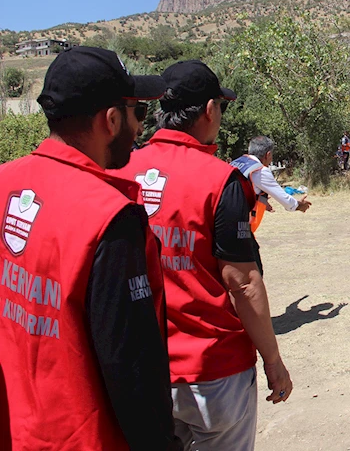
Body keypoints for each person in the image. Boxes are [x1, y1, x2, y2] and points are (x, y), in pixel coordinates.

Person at [0, 47, 176, 449]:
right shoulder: (110, 218)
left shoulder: (5, 182)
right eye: (138, 112)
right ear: (111, 120)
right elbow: (131, 368)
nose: (141, 126)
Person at [113, 60, 292, 449]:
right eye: (221, 107)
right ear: (210, 110)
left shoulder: (121, 170)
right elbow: (242, 284)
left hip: (144, 370)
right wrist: (273, 360)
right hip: (213, 370)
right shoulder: (220, 180)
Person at [230, 135, 312, 236]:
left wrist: (260, 200)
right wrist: (299, 205)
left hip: (221, 221)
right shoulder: (260, 170)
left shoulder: (236, 163)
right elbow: (285, 200)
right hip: (238, 228)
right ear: (268, 155)